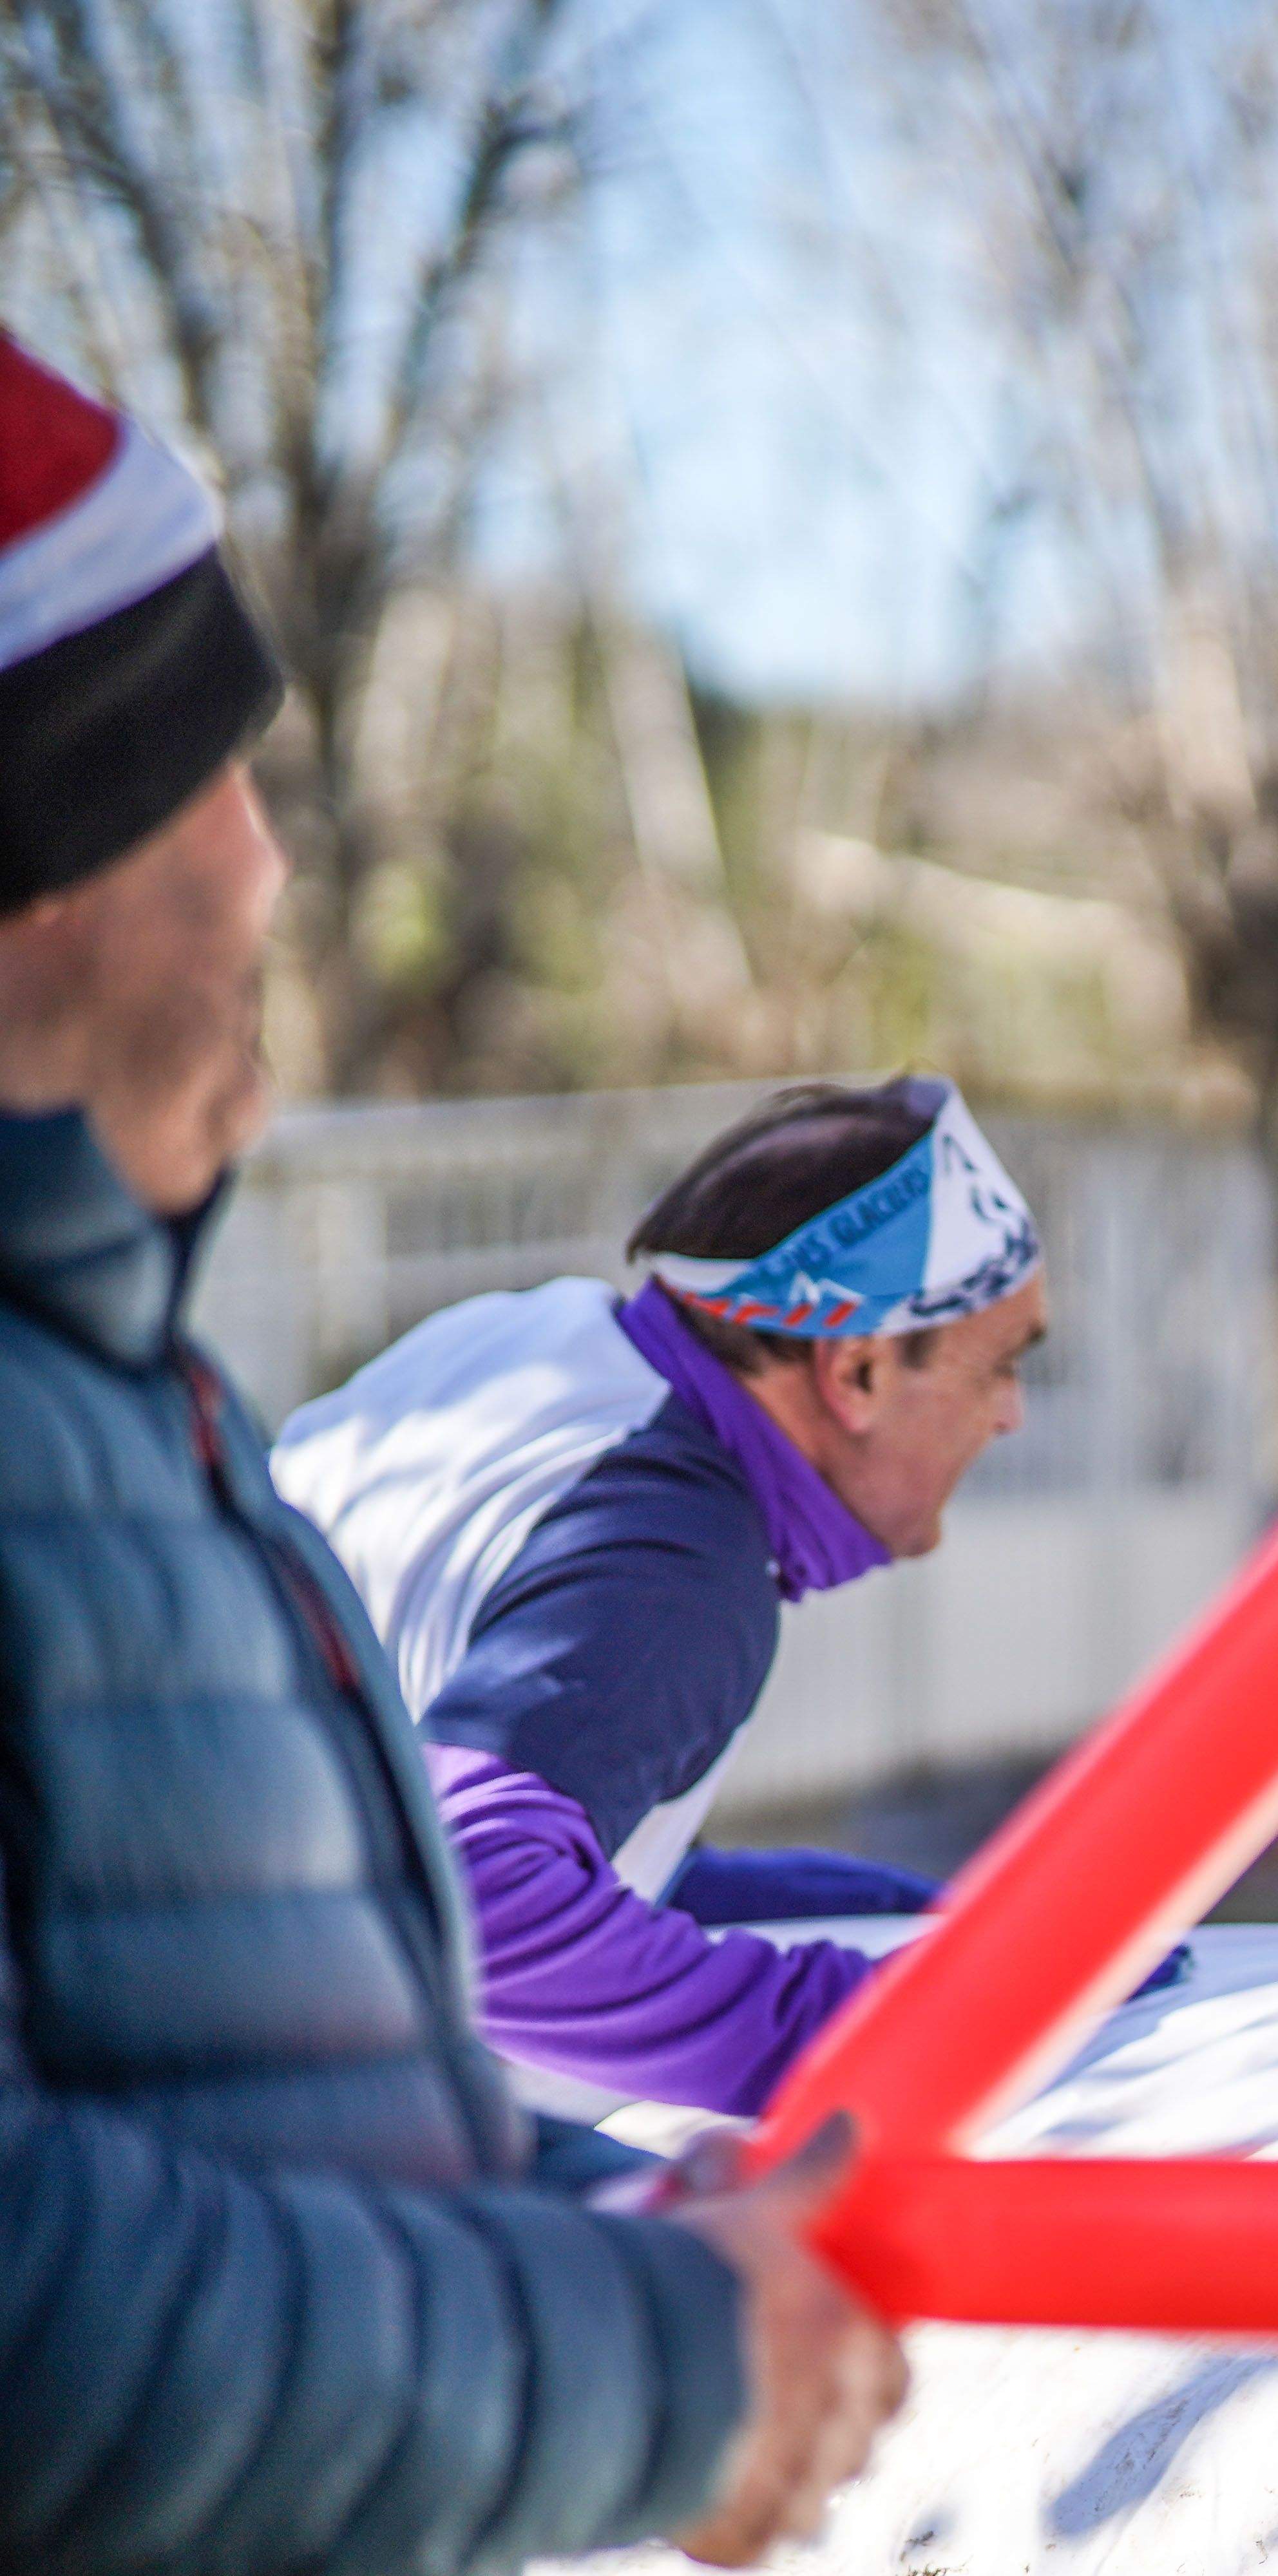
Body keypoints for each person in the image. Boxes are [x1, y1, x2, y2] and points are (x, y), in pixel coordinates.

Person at [0, 330, 899, 2569]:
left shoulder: (123, 1401)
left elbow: (288, 2083)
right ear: (44, 877)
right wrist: (655, 2365)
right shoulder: (665, 1540)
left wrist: (629, 2248)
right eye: (214, 782)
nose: (278, 873)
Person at [273, 1075, 1102, 2119]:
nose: (1013, 1415)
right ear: (856, 1373)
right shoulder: (680, 1553)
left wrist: (904, 1914)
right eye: (1000, 1367)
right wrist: (896, 2026)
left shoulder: (522, 1343)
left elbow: (447, 1812)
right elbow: (477, 1899)